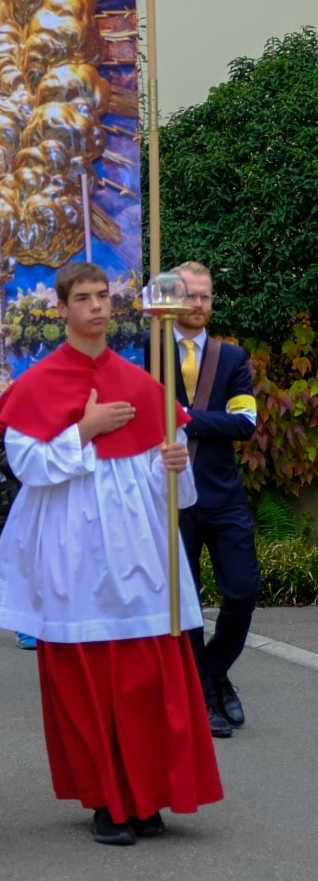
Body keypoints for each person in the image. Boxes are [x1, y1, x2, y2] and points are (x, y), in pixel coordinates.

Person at [0, 261, 223, 846]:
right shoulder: (37, 385)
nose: (96, 307)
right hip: (72, 545)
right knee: (86, 677)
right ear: (61, 309)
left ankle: (145, 795)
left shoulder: (145, 384)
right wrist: (83, 430)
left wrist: (175, 466)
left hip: (138, 545)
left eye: (102, 297)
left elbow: (173, 490)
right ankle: (106, 800)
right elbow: (27, 467)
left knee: (145, 674)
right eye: (83, 298)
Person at [172, 260, 261, 738]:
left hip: (223, 497)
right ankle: (204, 695)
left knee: (243, 592)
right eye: (190, 296)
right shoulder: (148, 352)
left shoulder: (231, 358)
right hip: (170, 498)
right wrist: (206, 418)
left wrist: (184, 417)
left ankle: (211, 673)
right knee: (185, 604)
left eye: (205, 296)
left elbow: (245, 425)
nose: (199, 305)